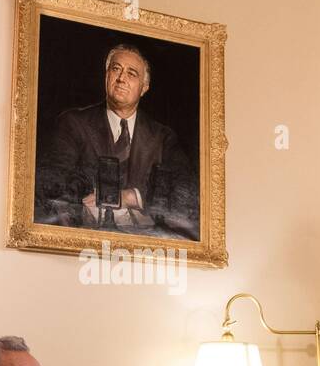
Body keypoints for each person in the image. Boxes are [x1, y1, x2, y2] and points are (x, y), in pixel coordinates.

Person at [34, 44, 199, 239]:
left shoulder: (163, 138)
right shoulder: (72, 124)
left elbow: (186, 195)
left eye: (132, 74)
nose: (121, 79)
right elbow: (50, 185)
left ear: (144, 87)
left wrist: (133, 197)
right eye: (116, 69)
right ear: (106, 76)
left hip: (142, 253)